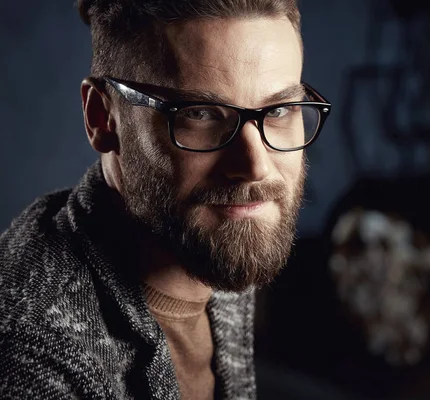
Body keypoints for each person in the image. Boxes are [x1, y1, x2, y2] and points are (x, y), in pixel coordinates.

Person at [0, 1, 331, 399]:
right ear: (102, 118)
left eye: (278, 109)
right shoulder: (28, 353)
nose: (254, 166)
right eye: (201, 114)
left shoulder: (214, 233)